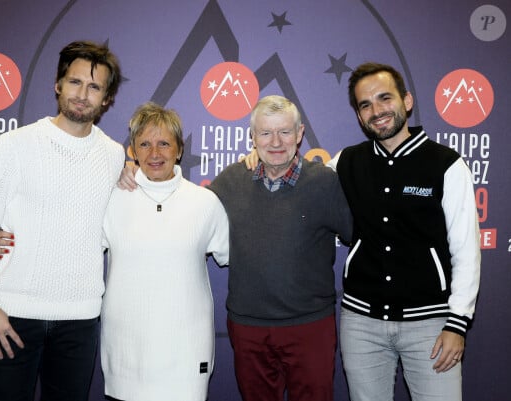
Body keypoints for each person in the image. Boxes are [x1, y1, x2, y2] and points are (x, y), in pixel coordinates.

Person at [119, 95, 353, 401]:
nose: (276, 141)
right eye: (266, 133)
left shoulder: (325, 182)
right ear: (252, 137)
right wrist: (129, 172)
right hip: (248, 327)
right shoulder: (231, 180)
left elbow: (358, 236)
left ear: (299, 134)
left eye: (284, 131)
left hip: (309, 326)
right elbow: (182, 209)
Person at [0, 40, 125, 401]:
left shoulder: (113, 155)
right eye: (75, 82)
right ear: (58, 84)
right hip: (11, 317)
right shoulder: (14, 145)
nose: (82, 94)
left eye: (94, 87)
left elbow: (106, 228)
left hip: (80, 322)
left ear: (106, 99)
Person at [331, 62, 481, 401]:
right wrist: (260, 159)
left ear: (407, 101)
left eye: (384, 98)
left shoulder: (446, 164)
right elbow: (302, 188)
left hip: (430, 324)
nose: (376, 111)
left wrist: (457, 324)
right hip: (360, 323)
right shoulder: (345, 162)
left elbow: (467, 251)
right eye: (365, 105)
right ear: (358, 115)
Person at [100, 102, 229, 401]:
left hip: (186, 352)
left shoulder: (205, 203)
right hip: (126, 352)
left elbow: (237, 256)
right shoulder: (111, 198)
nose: (154, 154)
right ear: (132, 149)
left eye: (164, 144)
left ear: (179, 149)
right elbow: (76, 247)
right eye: (144, 144)